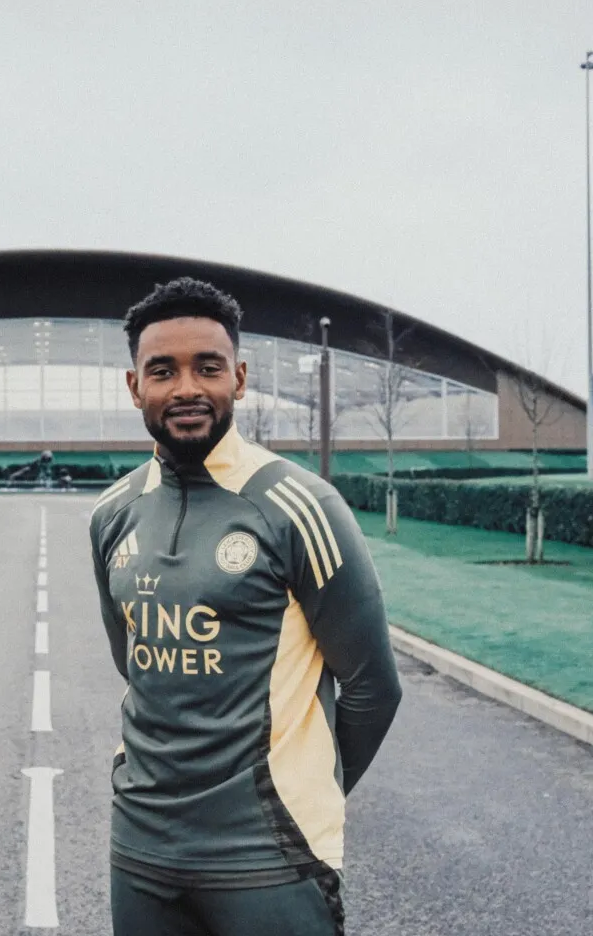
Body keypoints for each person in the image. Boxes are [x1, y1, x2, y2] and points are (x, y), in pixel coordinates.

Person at [90, 278, 402, 936]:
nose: (186, 388)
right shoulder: (113, 514)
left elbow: (374, 687)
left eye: (207, 368)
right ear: (134, 386)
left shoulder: (299, 506)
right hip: (142, 853)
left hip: (268, 861)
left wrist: (305, 794)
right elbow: (137, 667)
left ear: (239, 377)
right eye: (163, 371)